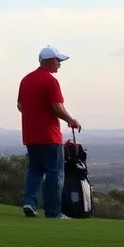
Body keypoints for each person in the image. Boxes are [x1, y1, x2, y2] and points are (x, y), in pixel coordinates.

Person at [17, 46, 81, 219]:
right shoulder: (50, 81)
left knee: (35, 170)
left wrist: (34, 115)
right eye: (57, 60)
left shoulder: (26, 80)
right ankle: (53, 212)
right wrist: (70, 120)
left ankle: (29, 203)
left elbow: (20, 106)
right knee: (55, 172)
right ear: (49, 61)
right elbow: (56, 107)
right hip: (49, 136)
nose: (59, 64)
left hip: (30, 135)